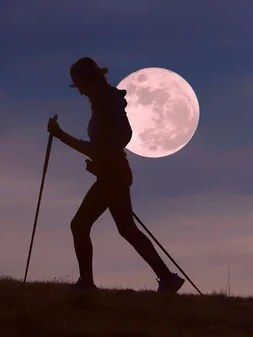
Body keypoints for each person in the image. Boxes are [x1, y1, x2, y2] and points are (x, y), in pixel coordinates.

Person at [46, 57, 185, 293]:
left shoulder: (107, 103)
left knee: (80, 225)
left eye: (80, 86)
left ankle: (87, 284)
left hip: (113, 175)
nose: (80, 92)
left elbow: (121, 136)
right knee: (126, 229)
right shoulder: (105, 102)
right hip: (113, 173)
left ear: (89, 81)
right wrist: (101, 162)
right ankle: (167, 278)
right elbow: (108, 144)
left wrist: (62, 136)